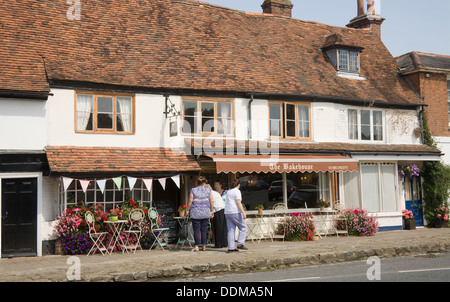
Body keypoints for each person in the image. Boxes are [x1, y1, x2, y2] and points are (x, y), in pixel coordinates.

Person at [186, 176, 214, 252]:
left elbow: (190, 200)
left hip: (195, 212)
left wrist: (187, 210)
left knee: (196, 230)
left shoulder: (193, 190)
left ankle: (197, 246)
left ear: (197, 183)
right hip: (205, 212)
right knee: (204, 229)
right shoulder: (208, 191)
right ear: (204, 183)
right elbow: (211, 201)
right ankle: (204, 246)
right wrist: (212, 211)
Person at [224, 179, 248, 253]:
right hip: (235, 211)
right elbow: (238, 202)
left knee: (231, 230)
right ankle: (240, 243)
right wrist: (243, 212)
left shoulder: (228, 191)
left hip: (227, 212)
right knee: (243, 227)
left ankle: (231, 247)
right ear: (239, 185)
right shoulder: (237, 191)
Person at [210, 181, 228, 248]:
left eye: (217, 184)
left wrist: (211, 211)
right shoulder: (215, 193)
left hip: (217, 210)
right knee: (223, 227)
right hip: (222, 210)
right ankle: (224, 243)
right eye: (215, 184)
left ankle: (219, 244)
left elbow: (211, 202)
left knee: (218, 228)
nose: (216, 186)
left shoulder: (210, 193)